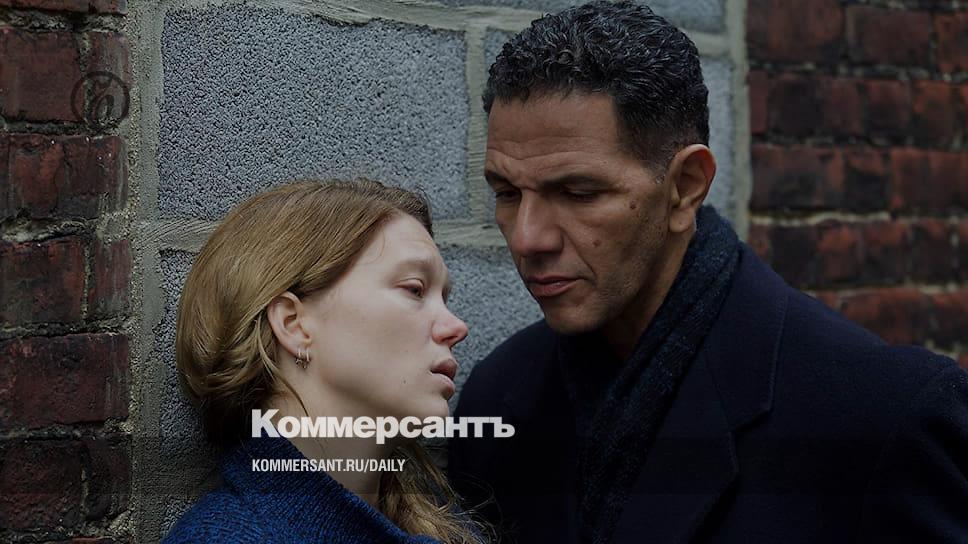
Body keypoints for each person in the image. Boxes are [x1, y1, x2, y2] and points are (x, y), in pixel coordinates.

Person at [448, 2, 968, 543]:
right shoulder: (496, 398)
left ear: (686, 186)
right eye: (506, 193)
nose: (528, 238)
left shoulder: (883, 415)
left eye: (578, 192)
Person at [164, 180, 487, 543]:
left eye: (444, 298)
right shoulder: (226, 538)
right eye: (414, 289)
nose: (456, 327)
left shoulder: (448, 531)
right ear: (294, 324)